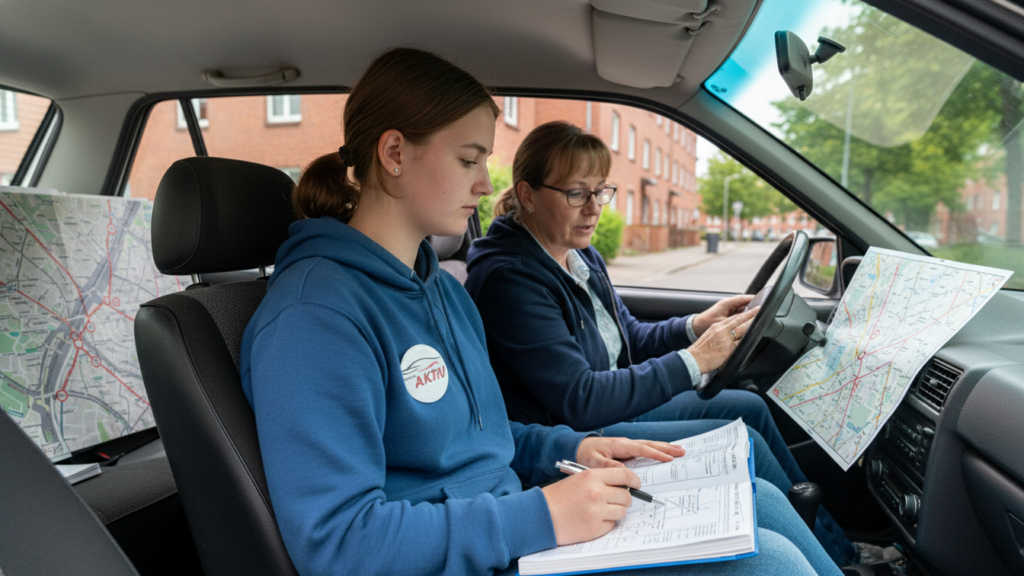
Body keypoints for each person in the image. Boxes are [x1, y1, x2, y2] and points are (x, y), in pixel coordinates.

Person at [240, 47, 841, 576]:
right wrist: (541, 515)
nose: (486, 184)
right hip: (484, 550)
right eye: (469, 160)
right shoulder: (314, 317)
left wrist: (570, 449)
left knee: (760, 502)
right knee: (769, 562)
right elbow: (339, 545)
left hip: (513, 526)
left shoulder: (441, 289)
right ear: (395, 152)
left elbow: (486, 437)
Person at [463, 121, 858, 566]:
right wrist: (695, 359)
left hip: (610, 407)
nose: (593, 209)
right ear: (528, 194)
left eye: (601, 191)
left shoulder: (579, 255)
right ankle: (837, 558)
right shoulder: (510, 279)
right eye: (576, 194)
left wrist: (696, 326)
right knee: (742, 435)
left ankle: (838, 550)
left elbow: (628, 337)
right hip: (575, 433)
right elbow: (581, 398)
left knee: (749, 408)